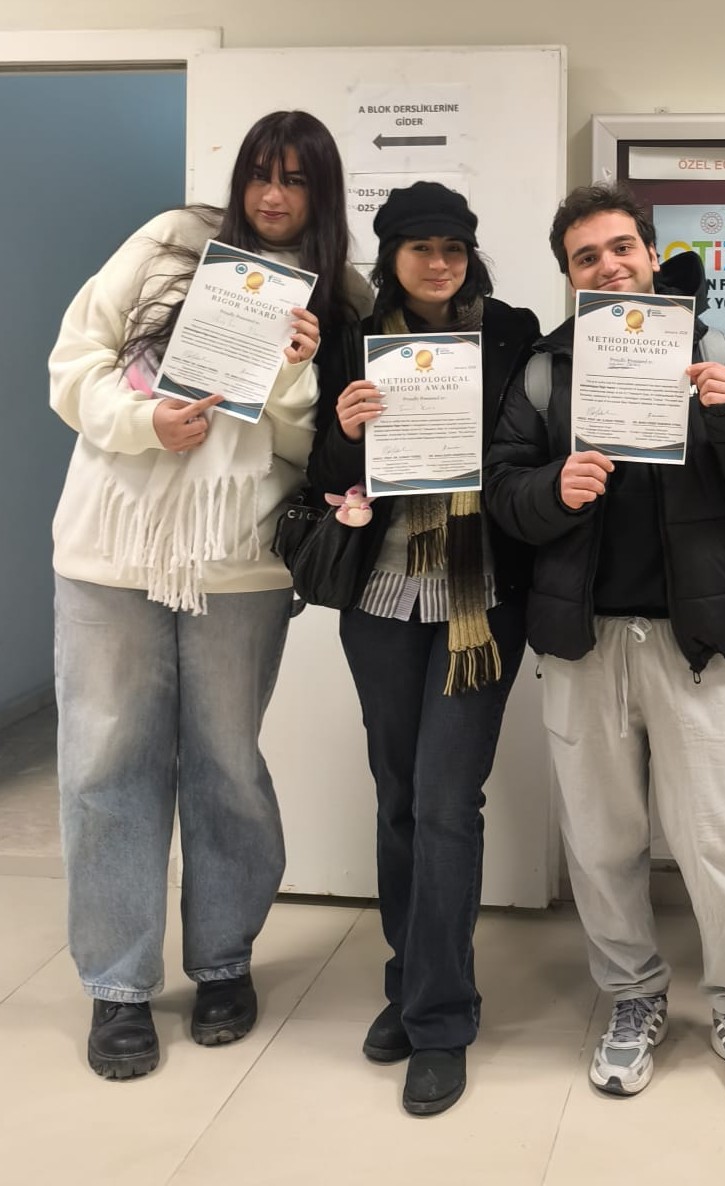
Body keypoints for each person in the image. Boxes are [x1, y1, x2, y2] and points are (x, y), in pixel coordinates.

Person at [48, 110, 368, 1080]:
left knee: (227, 765)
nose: (273, 196)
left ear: (321, 194)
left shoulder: (342, 294)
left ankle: (224, 960)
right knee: (107, 763)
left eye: (296, 181)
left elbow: (321, 451)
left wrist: (298, 372)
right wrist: (145, 422)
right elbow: (74, 367)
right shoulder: (167, 242)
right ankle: (118, 985)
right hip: (112, 548)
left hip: (239, 562)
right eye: (261, 174)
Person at [484, 183, 725, 1106]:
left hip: (695, 640)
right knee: (601, 841)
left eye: (622, 247)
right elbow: (502, 491)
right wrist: (554, 490)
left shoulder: (720, 351)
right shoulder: (544, 372)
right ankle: (632, 996)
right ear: (570, 276)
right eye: (586, 257)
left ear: (652, 254)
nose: (609, 265)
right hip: (582, 643)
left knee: (723, 840)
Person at [306, 182, 539, 1117]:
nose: (438, 263)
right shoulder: (355, 341)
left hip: (478, 602)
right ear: (391, 256)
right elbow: (323, 477)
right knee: (399, 797)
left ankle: (441, 1021)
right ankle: (410, 978)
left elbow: (531, 445)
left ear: (470, 255)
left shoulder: (512, 333)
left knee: (446, 802)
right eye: (420, 248)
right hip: (381, 601)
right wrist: (346, 429)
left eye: (453, 248)